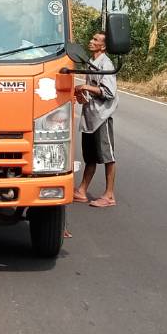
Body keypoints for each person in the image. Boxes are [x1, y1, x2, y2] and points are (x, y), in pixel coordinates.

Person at [74, 30, 118, 206]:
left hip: (101, 117)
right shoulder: (92, 62)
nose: (91, 41)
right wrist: (82, 93)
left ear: (104, 46)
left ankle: (109, 195)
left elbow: (108, 92)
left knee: (108, 156)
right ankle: (82, 190)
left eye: (95, 40)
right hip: (90, 117)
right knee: (90, 156)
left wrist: (86, 86)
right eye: (92, 38)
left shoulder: (105, 64)